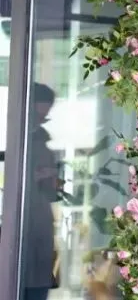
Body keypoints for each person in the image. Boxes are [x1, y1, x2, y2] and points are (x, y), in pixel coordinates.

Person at [23, 83, 59, 300]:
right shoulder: (20, 143)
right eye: (36, 116)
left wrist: (51, 179)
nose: (38, 123)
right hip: (26, 233)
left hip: (39, 231)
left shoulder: (43, 146)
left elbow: (51, 194)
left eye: (43, 118)